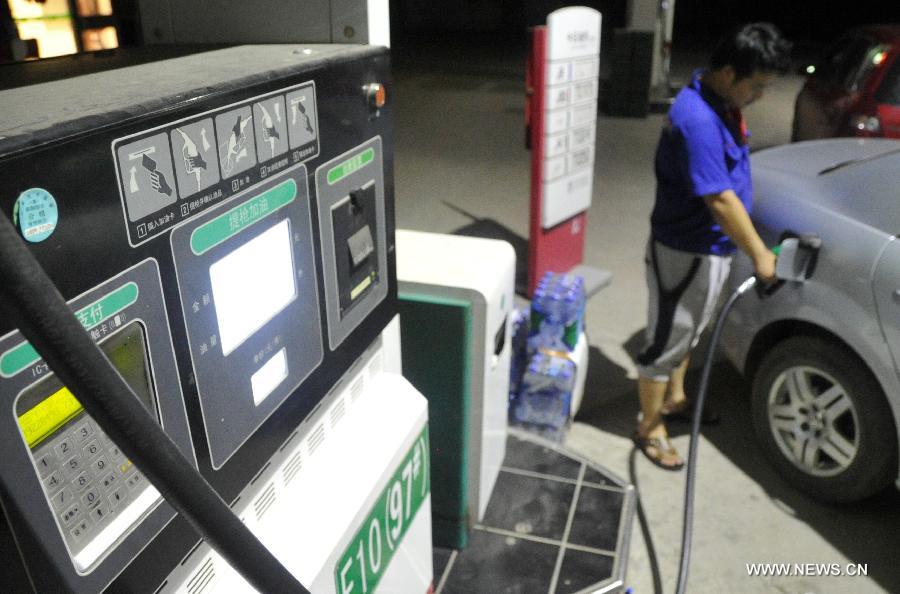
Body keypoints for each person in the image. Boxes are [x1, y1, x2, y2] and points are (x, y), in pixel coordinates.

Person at [633, 23, 792, 470]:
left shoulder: (717, 100)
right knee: (664, 341)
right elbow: (719, 198)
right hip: (685, 251)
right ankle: (649, 427)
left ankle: (675, 399)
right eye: (756, 86)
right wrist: (761, 254)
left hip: (711, 249)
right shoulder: (697, 118)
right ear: (726, 72)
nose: (760, 95)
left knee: (691, 331)